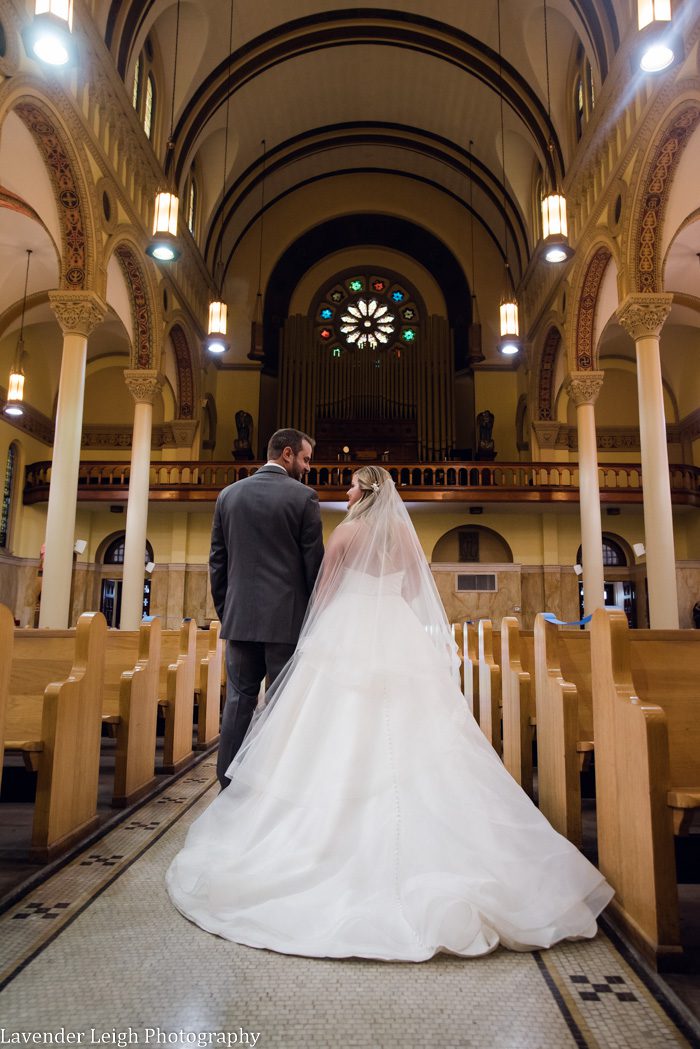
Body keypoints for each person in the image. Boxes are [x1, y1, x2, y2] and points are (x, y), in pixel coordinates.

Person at [168, 466, 613, 961]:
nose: (347, 490)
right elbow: (411, 591)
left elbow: (324, 590)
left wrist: (318, 630)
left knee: (328, 729)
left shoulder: (347, 532)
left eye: (353, 484)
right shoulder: (405, 534)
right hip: (396, 630)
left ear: (366, 491)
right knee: (417, 729)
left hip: (349, 629)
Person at [209, 427, 324, 788]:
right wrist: (311, 619)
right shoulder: (304, 498)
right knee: (280, 705)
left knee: (238, 702)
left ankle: (227, 783)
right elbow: (314, 568)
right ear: (287, 454)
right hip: (286, 624)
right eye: (305, 459)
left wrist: (229, 610)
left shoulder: (228, 496)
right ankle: (274, 785)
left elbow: (218, 562)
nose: (307, 467)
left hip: (240, 620)